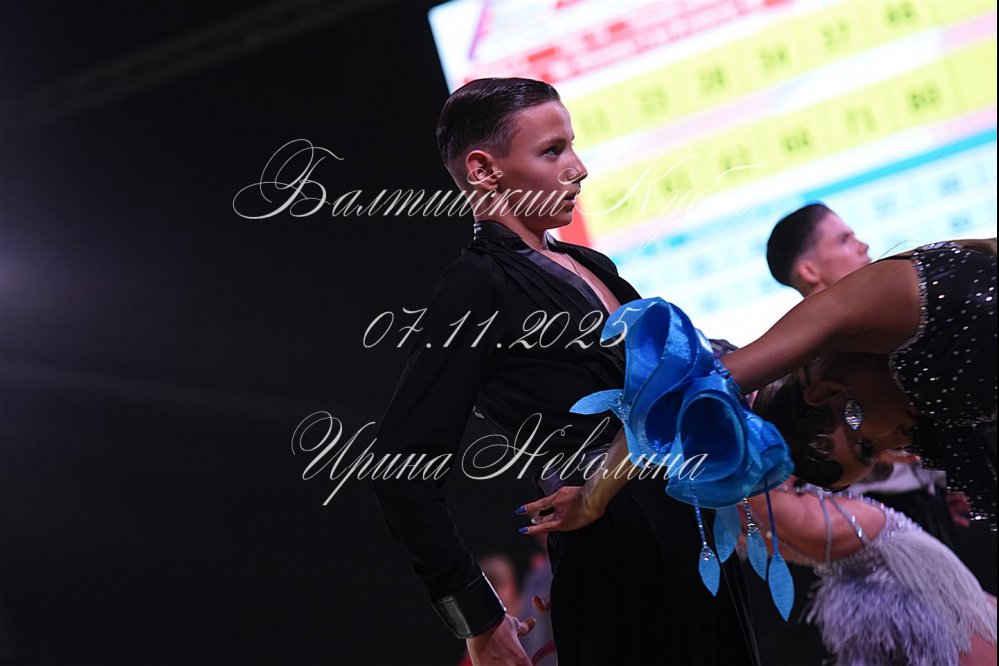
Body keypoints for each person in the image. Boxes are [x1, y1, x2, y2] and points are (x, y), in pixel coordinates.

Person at [369, 77, 759, 666]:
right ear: (483, 170)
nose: (578, 168)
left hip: (695, 540)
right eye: (552, 151)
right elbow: (400, 466)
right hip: (617, 556)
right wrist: (477, 616)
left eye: (571, 145)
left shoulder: (588, 262)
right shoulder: (477, 284)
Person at [767, 203, 969, 551]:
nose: (864, 247)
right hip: (877, 516)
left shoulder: (880, 326)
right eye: (844, 240)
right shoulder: (798, 364)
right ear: (809, 269)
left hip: (926, 503)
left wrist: (945, 476)